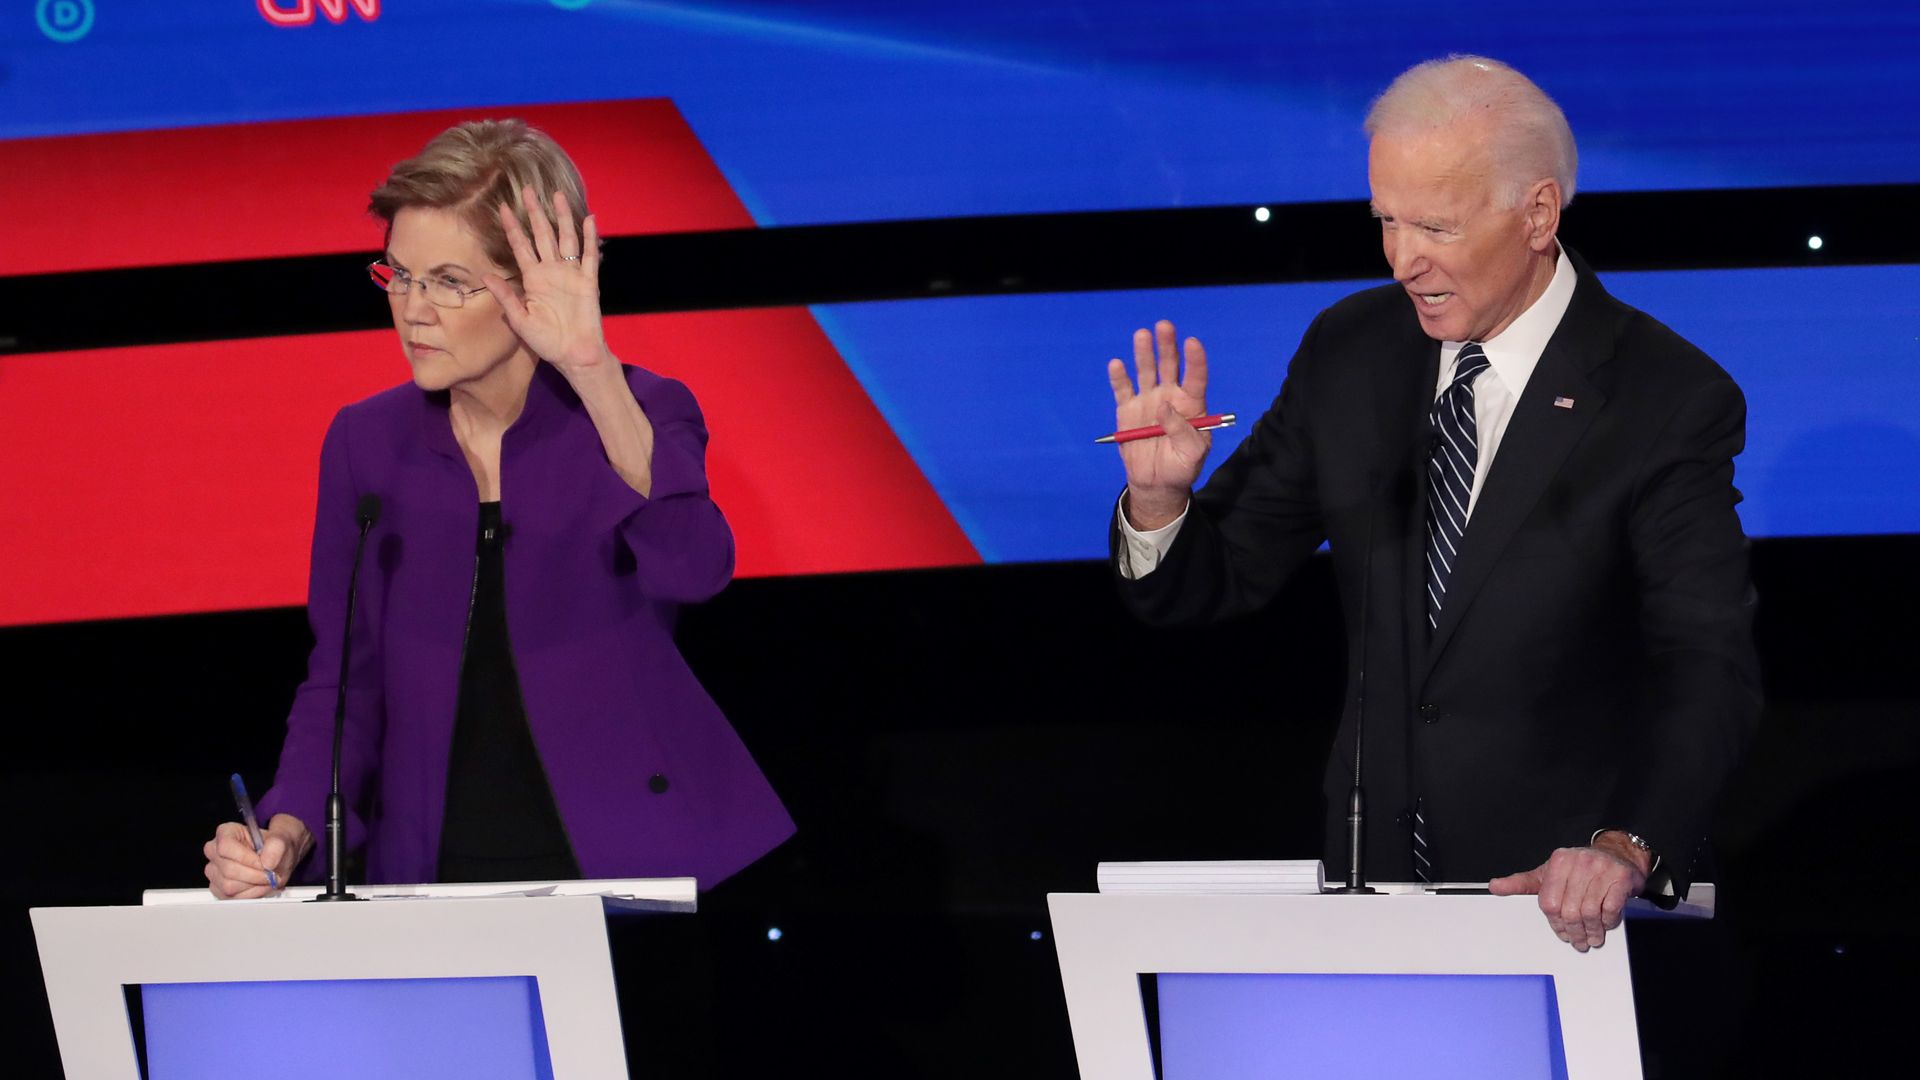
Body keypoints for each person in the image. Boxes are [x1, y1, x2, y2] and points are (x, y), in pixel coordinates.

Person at [1107, 56, 1760, 951]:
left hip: (1568, 904)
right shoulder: (1354, 352)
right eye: (1385, 220)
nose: (1402, 259)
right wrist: (1160, 502)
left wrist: (1626, 841)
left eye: (1436, 226)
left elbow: (1705, 662)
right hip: (1373, 895)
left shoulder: (1664, 398)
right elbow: (1211, 582)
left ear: (1538, 213)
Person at [203, 119, 793, 896]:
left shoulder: (639, 410)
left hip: (634, 873)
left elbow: (695, 568)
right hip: (434, 880)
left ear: (533, 288)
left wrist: (590, 366)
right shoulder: (366, 441)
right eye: (400, 275)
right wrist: (286, 831)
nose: (414, 310)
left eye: (450, 281)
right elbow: (344, 683)